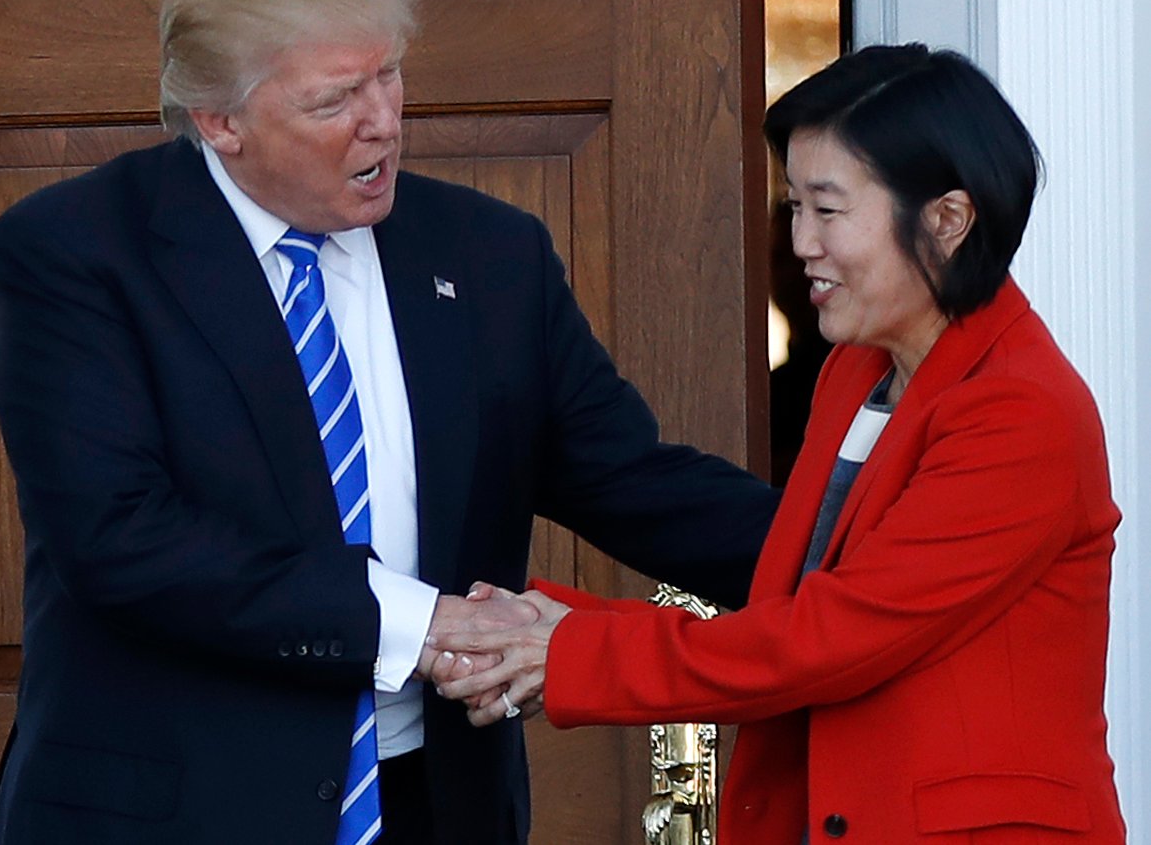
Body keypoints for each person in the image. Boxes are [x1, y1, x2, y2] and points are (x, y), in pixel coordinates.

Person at [0, 0, 779, 845]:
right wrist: (425, 621)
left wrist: (857, 549)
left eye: (390, 75)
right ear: (219, 121)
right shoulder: (78, 255)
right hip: (176, 810)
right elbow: (121, 538)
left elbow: (629, 477)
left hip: (436, 807)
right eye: (335, 100)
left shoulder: (487, 254)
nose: (385, 123)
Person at [434, 44, 1127, 843]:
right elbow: (786, 607)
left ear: (947, 219)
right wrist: (554, 620)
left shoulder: (1022, 411)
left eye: (827, 210)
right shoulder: (855, 370)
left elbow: (827, 638)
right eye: (794, 206)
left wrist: (571, 649)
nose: (800, 243)